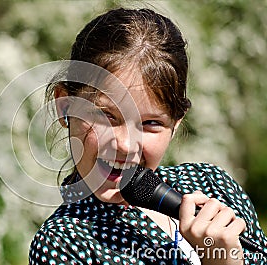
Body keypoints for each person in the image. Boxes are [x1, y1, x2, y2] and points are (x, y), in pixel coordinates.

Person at [29, 7, 267, 265]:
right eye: (106, 116)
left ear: (176, 124)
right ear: (65, 106)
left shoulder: (212, 184)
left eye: (151, 123)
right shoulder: (64, 244)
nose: (125, 144)